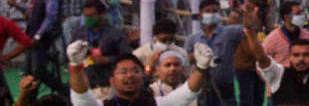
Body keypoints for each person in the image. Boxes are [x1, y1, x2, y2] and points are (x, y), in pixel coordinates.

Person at [240, 5, 309, 106]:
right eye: (296, 55)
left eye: (306, 55)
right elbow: (261, 57)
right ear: (290, 57)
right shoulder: (279, 75)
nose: (301, 59)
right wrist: (249, 31)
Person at [67, 39, 213, 106]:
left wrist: (201, 67)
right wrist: (75, 64)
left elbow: (188, 92)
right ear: (111, 80)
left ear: (143, 77)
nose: (130, 75)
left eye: (135, 71)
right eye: (123, 72)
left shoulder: (158, 104)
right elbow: (81, 96)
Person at [185, 0, 245, 106]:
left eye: (215, 11)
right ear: (200, 15)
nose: (212, 14)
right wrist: (196, 57)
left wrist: (242, 13)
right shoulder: (193, 38)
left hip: (225, 88)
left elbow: (249, 29)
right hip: (202, 88)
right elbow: (185, 60)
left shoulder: (229, 32)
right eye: (208, 11)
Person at [75, 0, 130, 100]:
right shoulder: (80, 33)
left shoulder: (116, 34)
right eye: (86, 16)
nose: (88, 19)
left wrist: (107, 60)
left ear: (102, 14)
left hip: (107, 85)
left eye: (91, 15)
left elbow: (127, 57)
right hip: (85, 83)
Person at [23, 0, 64, 97]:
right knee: (30, 69)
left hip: (43, 36)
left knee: (37, 70)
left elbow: (51, 16)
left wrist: (38, 35)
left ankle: (64, 92)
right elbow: (31, 11)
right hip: (33, 33)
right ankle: (30, 97)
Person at [262, 0, 309, 68]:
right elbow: (262, 60)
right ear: (286, 17)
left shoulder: (307, 35)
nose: (302, 16)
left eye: (302, 12)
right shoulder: (272, 39)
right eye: (298, 13)